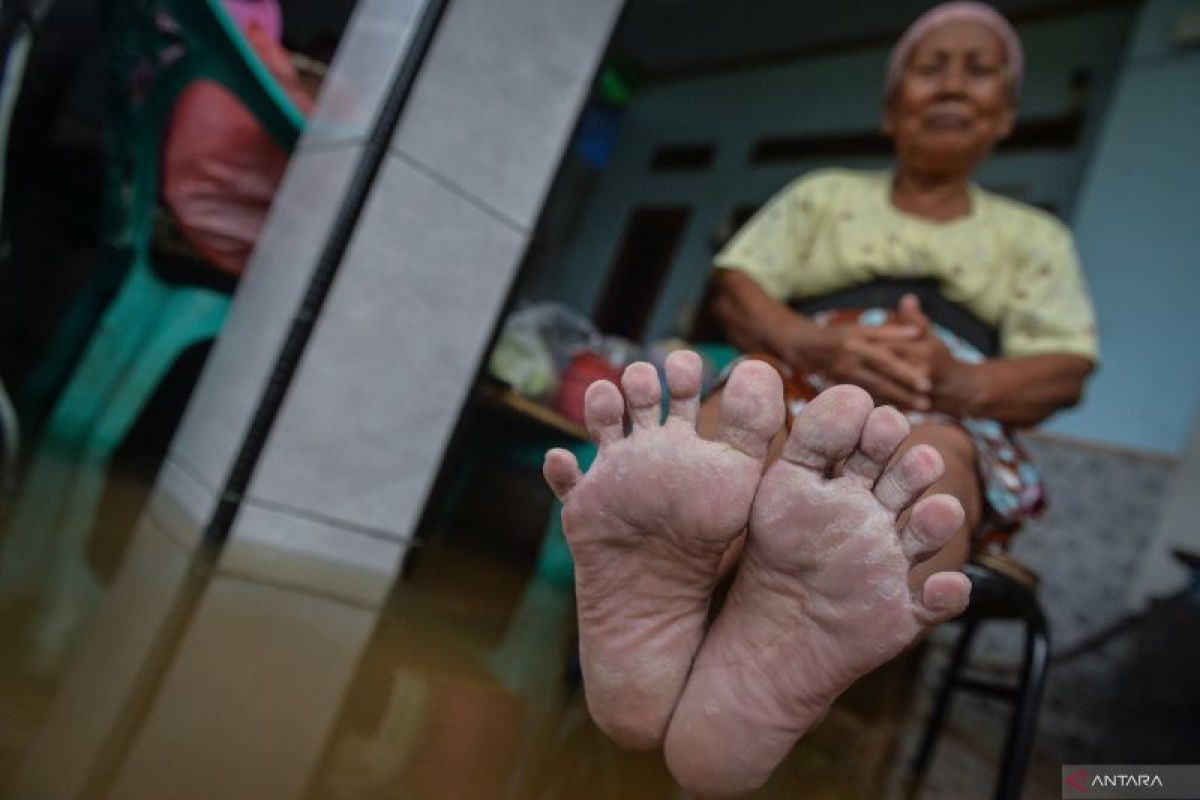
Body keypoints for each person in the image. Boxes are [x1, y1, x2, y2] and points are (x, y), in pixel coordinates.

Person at [543, 3, 1098, 798]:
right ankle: (684, 606)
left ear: (1005, 114)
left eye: (978, 71)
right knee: (739, 427)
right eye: (930, 68)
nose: (952, 85)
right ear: (891, 108)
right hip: (803, 374)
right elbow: (739, 288)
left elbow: (1066, 368)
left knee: (931, 464)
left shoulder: (1034, 238)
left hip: (942, 403)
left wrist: (958, 381)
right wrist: (815, 345)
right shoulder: (824, 195)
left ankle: (780, 640)